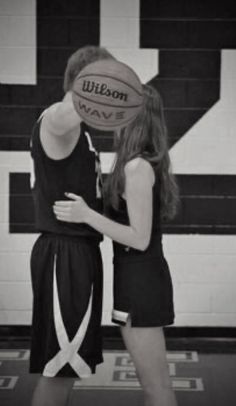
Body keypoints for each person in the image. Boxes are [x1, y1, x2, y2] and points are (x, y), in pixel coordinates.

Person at [53, 84, 179, 406]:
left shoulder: (137, 168)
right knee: (154, 386)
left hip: (142, 283)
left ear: (137, 117)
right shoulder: (138, 163)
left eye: (123, 111)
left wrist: (86, 215)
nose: (115, 116)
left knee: (157, 389)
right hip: (135, 279)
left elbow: (139, 238)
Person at [29, 45, 115, 406]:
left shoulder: (84, 134)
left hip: (79, 254)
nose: (114, 89)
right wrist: (101, 90)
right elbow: (59, 116)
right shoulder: (58, 120)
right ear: (88, 81)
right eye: (107, 81)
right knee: (59, 369)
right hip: (63, 254)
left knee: (68, 369)